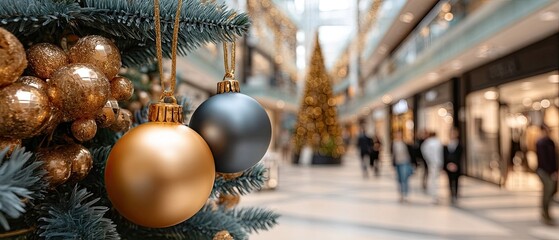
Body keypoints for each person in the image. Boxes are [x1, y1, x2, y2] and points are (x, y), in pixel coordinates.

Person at [536, 125, 558, 226]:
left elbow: (554, 158)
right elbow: (544, 159)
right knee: (548, 191)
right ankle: (545, 213)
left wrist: (555, 170)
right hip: (544, 171)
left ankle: (546, 212)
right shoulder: (541, 143)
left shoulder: (550, 142)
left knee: (550, 191)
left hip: (550, 171)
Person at [421, 131, 443, 204]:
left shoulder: (427, 143)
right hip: (436, 163)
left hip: (432, 163)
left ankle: (434, 195)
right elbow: (440, 154)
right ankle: (434, 195)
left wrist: (428, 160)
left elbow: (424, 152)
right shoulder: (437, 142)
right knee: (434, 179)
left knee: (433, 179)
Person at [392, 131, 414, 203]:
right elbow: (393, 154)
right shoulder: (394, 144)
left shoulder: (405, 143)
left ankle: (406, 194)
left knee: (404, 178)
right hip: (398, 163)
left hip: (405, 162)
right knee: (399, 179)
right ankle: (401, 194)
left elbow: (411, 152)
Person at [443, 128, 463, 204]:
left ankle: (456, 194)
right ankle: (451, 193)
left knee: (456, 180)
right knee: (450, 180)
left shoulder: (459, 145)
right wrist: (447, 164)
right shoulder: (447, 144)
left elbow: (460, 156)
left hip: (456, 165)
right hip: (449, 165)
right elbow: (445, 155)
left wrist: (455, 164)